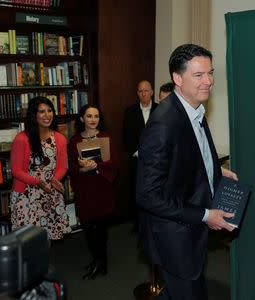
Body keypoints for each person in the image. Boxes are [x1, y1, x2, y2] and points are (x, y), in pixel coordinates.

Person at [136, 44, 238, 300]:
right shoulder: (163, 124)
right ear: (177, 78)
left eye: (210, 73)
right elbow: (148, 195)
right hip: (175, 236)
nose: (209, 81)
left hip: (190, 230)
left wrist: (216, 171)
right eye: (199, 75)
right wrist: (205, 215)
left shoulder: (193, 107)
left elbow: (192, 155)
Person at [67, 104, 119, 280]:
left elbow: (114, 164)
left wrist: (97, 165)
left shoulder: (106, 138)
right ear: (82, 119)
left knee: (101, 231)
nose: (92, 120)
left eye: (96, 116)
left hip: (101, 190)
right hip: (84, 190)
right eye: (89, 116)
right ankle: (97, 260)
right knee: (88, 228)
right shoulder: (74, 140)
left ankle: (101, 264)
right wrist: (82, 169)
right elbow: (72, 166)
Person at [10, 96, 70, 241]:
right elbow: (16, 170)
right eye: (42, 111)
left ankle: (43, 265)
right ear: (34, 115)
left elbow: (62, 167)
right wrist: (37, 182)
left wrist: (55, 180)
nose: (47, 115)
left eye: (50, 110)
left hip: (50, 192)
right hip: (26, 195)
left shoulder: (60, 138)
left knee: (47, 238)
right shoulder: (22, 138)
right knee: (28, 241)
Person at [123, 80, 158, 229]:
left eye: (146, 91)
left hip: (157, 161)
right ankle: (138, 224)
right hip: (137, 160)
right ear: (137, 94)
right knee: (137, 192)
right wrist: (140, 153)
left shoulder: (160, 109)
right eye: (140, 91)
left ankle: (154, 222)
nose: (143, 94)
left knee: (155, 192)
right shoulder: (129, 112)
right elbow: (126, 136)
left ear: (152, 92)